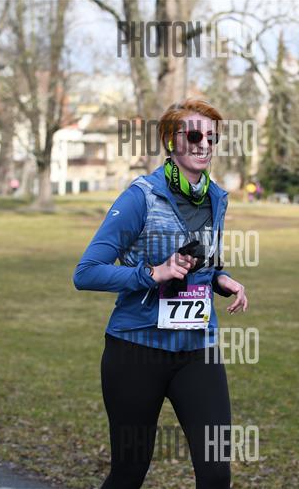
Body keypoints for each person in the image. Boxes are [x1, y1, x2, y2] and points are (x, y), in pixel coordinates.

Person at [74, 98, 248, 489]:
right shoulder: (140, 197)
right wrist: (153, 273)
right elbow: (86, 273)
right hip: (136, 350)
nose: (205, 144)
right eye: (194, 136)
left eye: (212, 137)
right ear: (171, 141)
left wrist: (221, 279)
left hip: (197, 350)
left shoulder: (215, 198)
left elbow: (200, 261)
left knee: (216, 473)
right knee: (129, 472)